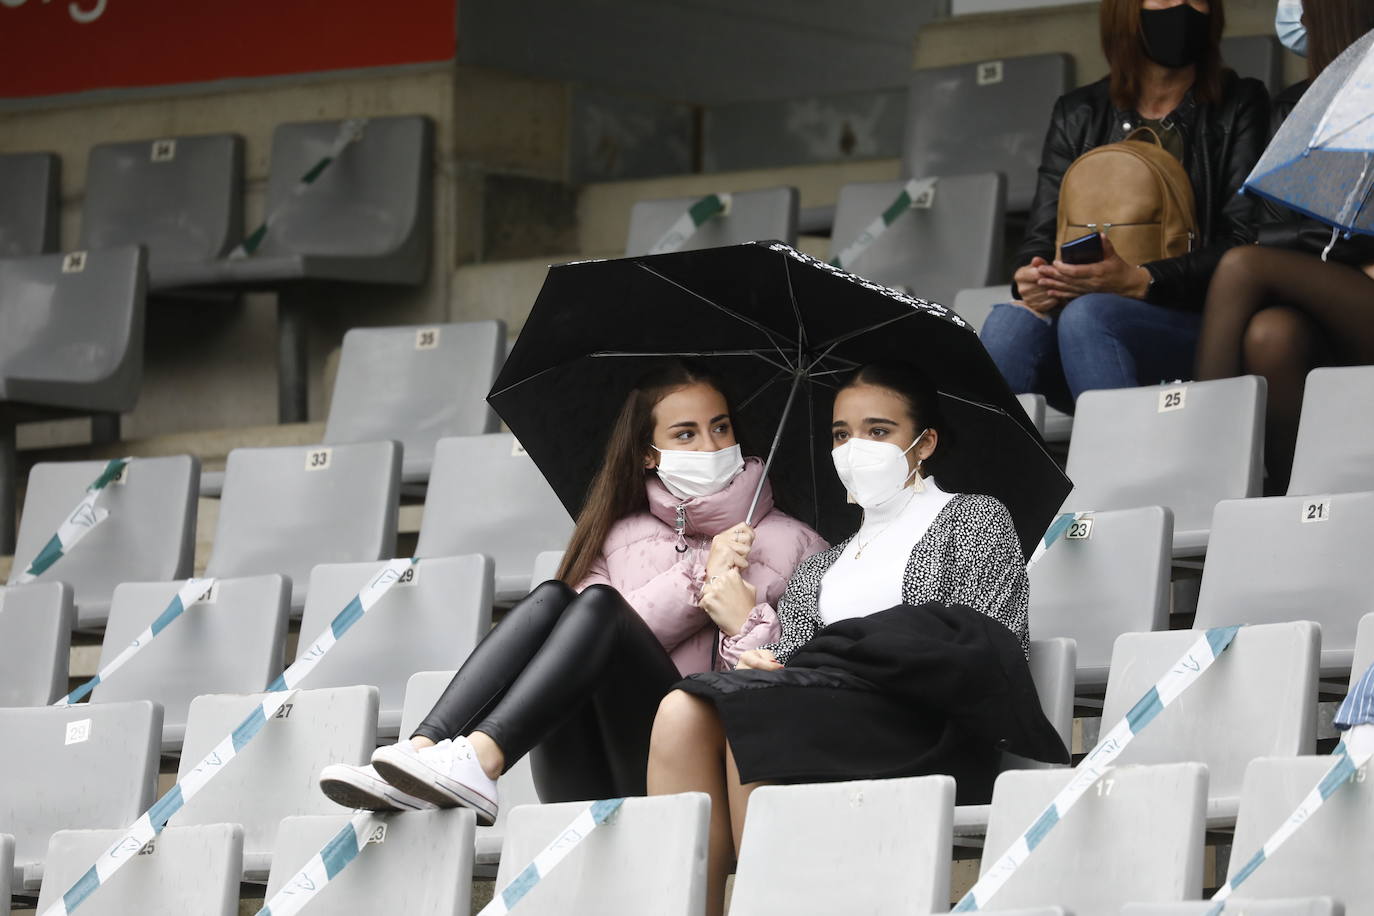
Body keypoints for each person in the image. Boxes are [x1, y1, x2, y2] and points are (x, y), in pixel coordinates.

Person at [317, 360, 826, 822]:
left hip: (694, 760)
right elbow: (589, 645)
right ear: (649, 455)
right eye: (685, 434)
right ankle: (423, 751)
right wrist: (699, 573)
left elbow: (785, 686)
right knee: (553, 599)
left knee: (599, 605)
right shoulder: (616, 535)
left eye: (720, 427)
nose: (711, 447)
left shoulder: (796, 543)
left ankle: (482, 759)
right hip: (587, 763)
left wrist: (737, 609)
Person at [646, 363, 1066, 916]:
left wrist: (832, 661)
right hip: (824, 721)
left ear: (924, 444)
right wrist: (756, 641)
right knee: (684, 709)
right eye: (841, 434)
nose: (854, 448)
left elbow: (981, 647)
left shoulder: (973, 519)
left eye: (877, 431)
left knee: (757, 712)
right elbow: (793, 660)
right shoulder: (823, 563)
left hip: (929, 729)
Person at [980, 0, 1269, 413]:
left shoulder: (1241, 102)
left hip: (1193, 322)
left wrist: (1142, 280)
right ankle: (991, 478)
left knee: (1089, 316)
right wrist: (1033, 276)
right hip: (1081, 319)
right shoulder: (1078, 112)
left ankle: (1127, 470)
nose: (1183, 8)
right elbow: (1042, 236)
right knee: (1008, 324)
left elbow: (1245, 241)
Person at [1194, 0, 1374, 493]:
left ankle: (1206, 457)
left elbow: (1272, 242)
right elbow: (1272, 226)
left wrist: (1324, 244)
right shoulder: (1294, 106)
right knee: (1270, 335)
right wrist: (1345, 245)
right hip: (1333, 297)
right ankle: (1288, 497)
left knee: (1242, 266)